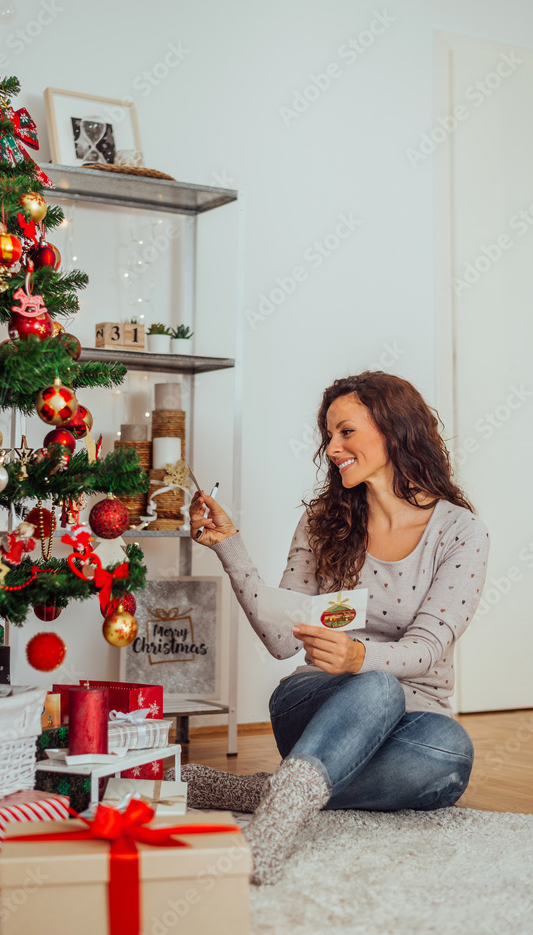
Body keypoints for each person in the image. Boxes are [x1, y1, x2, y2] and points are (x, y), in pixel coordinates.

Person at [172, 371, 489, 885]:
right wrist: (229, 547)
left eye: (345, 431)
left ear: (393, 429)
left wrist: (361, 658)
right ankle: (274, 828)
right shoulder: (324, 521)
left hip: (415, 721)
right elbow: (281, 639)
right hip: (318, 701)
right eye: (327, 433)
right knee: (376, 689)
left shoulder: (460, 532)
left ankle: (265, 792)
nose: (331, 446)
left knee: (449, 757)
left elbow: (428, 648)